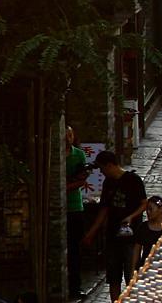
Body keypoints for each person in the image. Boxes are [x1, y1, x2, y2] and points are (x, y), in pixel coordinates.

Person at [82, 151, 147, 303]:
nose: (102, 172)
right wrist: (92, 232)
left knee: (131, 275)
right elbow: (104, 209)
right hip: (112, 236)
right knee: (113, 277)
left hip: (131, 237)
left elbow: (144, 203)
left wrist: (131, 217)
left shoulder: (133, 180)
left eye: (102, 168)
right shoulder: (108, 183)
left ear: (110, 165)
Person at [65, 128, 90, 301]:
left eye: (70, 135)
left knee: (74, 249)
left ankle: (76, 287)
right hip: (61, 207)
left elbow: (82, 180)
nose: (67, 138)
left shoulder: (79, 155)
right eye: (65, 134)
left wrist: (64, 188)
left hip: (75, 207)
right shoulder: (55, 156)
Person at [133, 196, 162, 267]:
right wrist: (134, 268)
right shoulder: (143, 227)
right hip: (146, 267)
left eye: (151, 209)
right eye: (147, 209)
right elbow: (137, 250)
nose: (148, 212)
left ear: (160, 209)